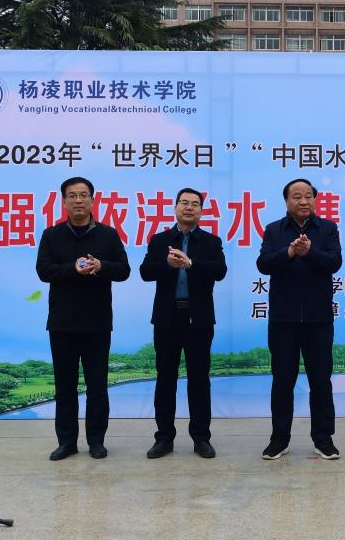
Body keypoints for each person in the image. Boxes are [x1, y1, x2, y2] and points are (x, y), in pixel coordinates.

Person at [36, 177, 130, 461]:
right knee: (64, 387)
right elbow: (44, 271)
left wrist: (101, 266)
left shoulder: (108, 235)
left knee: (97, 387)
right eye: (72, 195)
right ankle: (66, 443)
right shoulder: (51, 235)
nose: (78, 200)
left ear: (92, 200)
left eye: (84, 195)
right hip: (62, 323)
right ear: (63, 201)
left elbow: (124, 270)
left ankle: (96, 442)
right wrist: (73, 270)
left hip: (97, 323)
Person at [256, 178, 343, 460]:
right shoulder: (274, 230)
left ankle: (323, 439)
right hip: (283, 321)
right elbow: (263, 264)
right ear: (287, 201)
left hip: (319, 320)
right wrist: (290, 252)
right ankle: (279, 439)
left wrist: (310, 252)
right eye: (297, 196)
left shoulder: (327, 228)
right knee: (282, 381)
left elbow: (334, 262)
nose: (304, 201)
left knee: (321, 381)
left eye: (308, 196)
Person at [140, 188, 227, 459]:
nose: (189, 207)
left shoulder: (211, 241)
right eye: (184, 203)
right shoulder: (160, 240)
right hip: (167, 319)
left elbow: (220, 271)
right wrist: (167, 264)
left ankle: (201, 438)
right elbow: (145, 272)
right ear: (176, 207)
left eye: (195, 204)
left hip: (198, 319)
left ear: (201, 210)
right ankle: (164, 438)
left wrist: (191, 264)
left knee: (199, 380)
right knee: (165, 379)